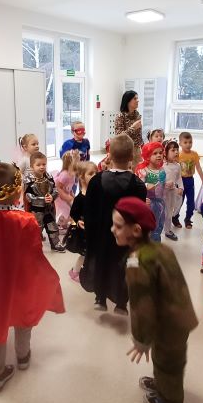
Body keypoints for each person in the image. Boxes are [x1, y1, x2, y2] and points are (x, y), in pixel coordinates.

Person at [0, 163, 65, 392]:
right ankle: (23, 357)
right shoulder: (26, 220)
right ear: (18, 191)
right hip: (20, 280)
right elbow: (34, 254)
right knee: (23, 317)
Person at [112, 196, 198, 403]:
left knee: (168, 362)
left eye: (118, 226)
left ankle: (170, 398)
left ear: (136, 230)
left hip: (168, 324)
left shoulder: (137, 262)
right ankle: (162, 383)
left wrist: (142, 339)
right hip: (178, 316)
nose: (113, 229)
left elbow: (142, 306)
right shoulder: (161, 249)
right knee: (166, 357)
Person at [81, 133, 146, 314]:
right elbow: (139, 215)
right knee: (124, 266)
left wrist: (89, 234)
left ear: (108, 155)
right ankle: (121, 303)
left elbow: (89, 210)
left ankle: (100, 298)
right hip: (125, 237)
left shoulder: (96, 181)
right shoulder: (137, 185)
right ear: (132, 156)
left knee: (101, 262)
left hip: (100, 234)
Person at [25, 151, 65, 252]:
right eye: (38, 165)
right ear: (32, 166)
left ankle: (55, 243)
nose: (42, 167)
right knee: (36, 229)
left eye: (44, 164)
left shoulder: (48, 177)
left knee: (52, 226)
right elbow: (28, 196)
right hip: (36, 210)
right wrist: (42, 200)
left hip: (49, 208)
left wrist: (52, 196)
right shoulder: (29, 180)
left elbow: (55, 190)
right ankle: (33, 246)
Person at [66, 161, 97, 283]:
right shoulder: (80, 198)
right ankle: (75, 271)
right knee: (85, 254)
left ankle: (91, 271)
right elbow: (73, 212)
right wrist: (78, 220)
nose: (95, 176)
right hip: (84, 232)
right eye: (91, 173)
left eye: (96, 173)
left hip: (95, 229)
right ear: (82, 177)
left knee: (92, 253)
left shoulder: (97, 193)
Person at [173, 132, 203, 229]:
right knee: (179, 202)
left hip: (190, 180)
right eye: (185, 142)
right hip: (180, 181)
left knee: (191, 203)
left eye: (190, 142)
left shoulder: (194, 154)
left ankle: (188, 219)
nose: (188, 144)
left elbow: (198, 167)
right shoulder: (178, 155)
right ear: (180, 144)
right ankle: (175, 218)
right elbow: (174, 168)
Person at [136, 142, 167, 243]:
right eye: (155, 153)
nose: (159, 155)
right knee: (147, 225)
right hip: (147, 202)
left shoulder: (162, 170)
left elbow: (162, 186)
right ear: (147, 156)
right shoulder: (143, 170)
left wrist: (169, 185)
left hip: (160, 202)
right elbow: (137, 186)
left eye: (160, 153)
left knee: (159, 224)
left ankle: (155, 243)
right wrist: (146, 185)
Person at [114, 90, 144, 164]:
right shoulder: (120, 117)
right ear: (128, 101)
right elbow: (119, 137)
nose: (138, 101)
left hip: (137, 149)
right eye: (135, 99)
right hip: (125, 150)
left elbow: (138, 135)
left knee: (138, 170)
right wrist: (132, 128)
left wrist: (142, 146)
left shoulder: (137, 115)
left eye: (137, 98)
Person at [162, 140, 183, 241]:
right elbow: (158, 179)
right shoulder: (162, 165)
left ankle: (167, 230)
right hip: (162, 193)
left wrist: (181, 187)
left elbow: (179, 178)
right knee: (160, 212)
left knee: (170, 212)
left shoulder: (177, 165)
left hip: (172, 192)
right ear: (165, 152)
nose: (176, 152)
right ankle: (155, 230)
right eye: (173, 150)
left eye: (177, 150)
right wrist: (164, 184)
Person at [55, 150, 79, 231]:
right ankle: (59, 225)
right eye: (77, 161)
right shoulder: (64, 175)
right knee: (65, 210)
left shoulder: (72, 174)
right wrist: (65, 196)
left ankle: (64, 223)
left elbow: (69, 187)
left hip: (65, 194)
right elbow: (58, 187)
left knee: (69, 209)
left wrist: (72, 194)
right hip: (59, 196)